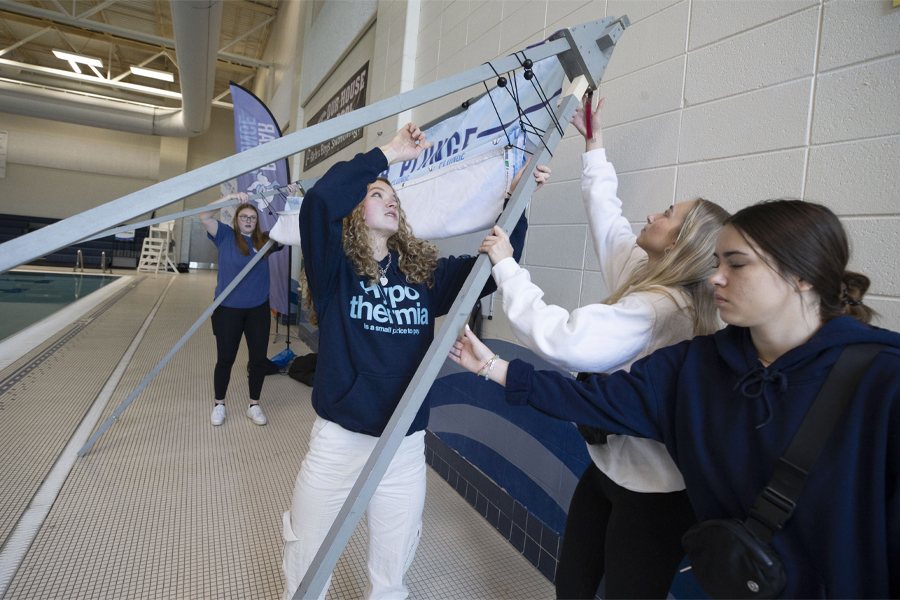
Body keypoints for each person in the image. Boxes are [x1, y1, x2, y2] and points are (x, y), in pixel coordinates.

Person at [451, 199, 900, 598]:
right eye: (717, 260)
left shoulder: (881, 381)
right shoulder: (698, 366)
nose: (716, 276)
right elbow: (594, 399)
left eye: (736, 264)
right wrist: (494, 367)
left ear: (802, 275)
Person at [281, 123, 547, 600]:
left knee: (391, 573)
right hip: (340, 439)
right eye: (377, 194)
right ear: (354, 212)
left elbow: (490, 271)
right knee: (306, 560)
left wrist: (516, 204)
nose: (391, 200)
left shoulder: (422, 273)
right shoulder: (334, 269)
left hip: (403, 445)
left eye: (393, 196)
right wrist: (387, 156)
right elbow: (320, 201)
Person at [477, 97, 729, 599]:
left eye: (668, 213)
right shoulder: (646, 276)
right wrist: (593, 143)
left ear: (681, 244)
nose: (655, 212)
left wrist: (507, 266)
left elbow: (567, 341)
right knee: (572, 585)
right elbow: (608, 221)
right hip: (609, 469)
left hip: (656, 495)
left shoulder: (663, 308)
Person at [200, 190, 290, 427]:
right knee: (225, 359)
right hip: (228, 309)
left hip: (258, 310)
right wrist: (229, 199)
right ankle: (219, 405)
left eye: (252, 217)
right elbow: (204, 216)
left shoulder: (265, 240)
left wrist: (289, 199)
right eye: (244, 217)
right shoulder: (225, 236)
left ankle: (254, 405)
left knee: (258, 359)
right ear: (236, 219)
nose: (248, 220)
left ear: (257, 221)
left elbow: (290, 230)